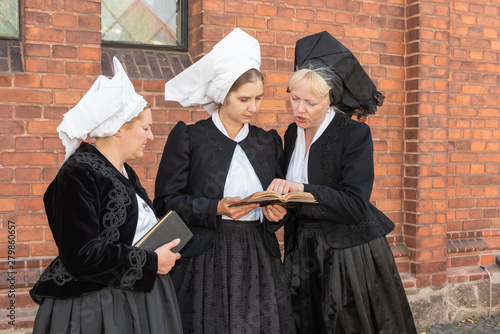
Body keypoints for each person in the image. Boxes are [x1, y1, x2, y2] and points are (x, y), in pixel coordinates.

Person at [267, 31, 417, 334]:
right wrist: (278, 211)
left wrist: (302, 190)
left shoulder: (353, 135)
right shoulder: (291, 134)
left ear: (329, 100)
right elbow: (292, 198)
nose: (300, 109)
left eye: (310, 102)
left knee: (346, 325)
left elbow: (354, 204)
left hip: (348, 252)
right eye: (294, 99)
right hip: (303, 249)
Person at [154, 28, 295, 334]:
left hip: (258, 255)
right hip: (205, 257)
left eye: (258, 98)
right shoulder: (190, 138)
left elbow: (278, 197)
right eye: (244, 98)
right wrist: (215, 208)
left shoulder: (269, 141)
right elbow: (166, 203)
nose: (253, 107)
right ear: (222, 94)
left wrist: (277, 215)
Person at [30, 57, 183, 334]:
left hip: (134, 299)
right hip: (97, 310)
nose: (151, 137)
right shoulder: (77, 174)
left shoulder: (122, 170)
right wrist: (150, 262)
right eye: (145, 128)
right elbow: (81, 255)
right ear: (118, 128)